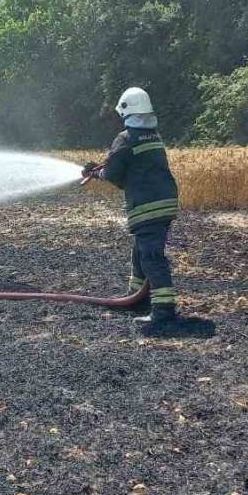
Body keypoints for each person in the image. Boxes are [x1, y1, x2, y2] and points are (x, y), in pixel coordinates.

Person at [81, 87, 181, 335]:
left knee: (151, 257)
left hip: (147, 206)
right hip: (165, 203)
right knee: (141, 252)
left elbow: (114, 174)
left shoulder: (125, 138)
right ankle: (136, 298)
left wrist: (95, 173)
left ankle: (163, 310)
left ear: (126, 112)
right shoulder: (153, 137)